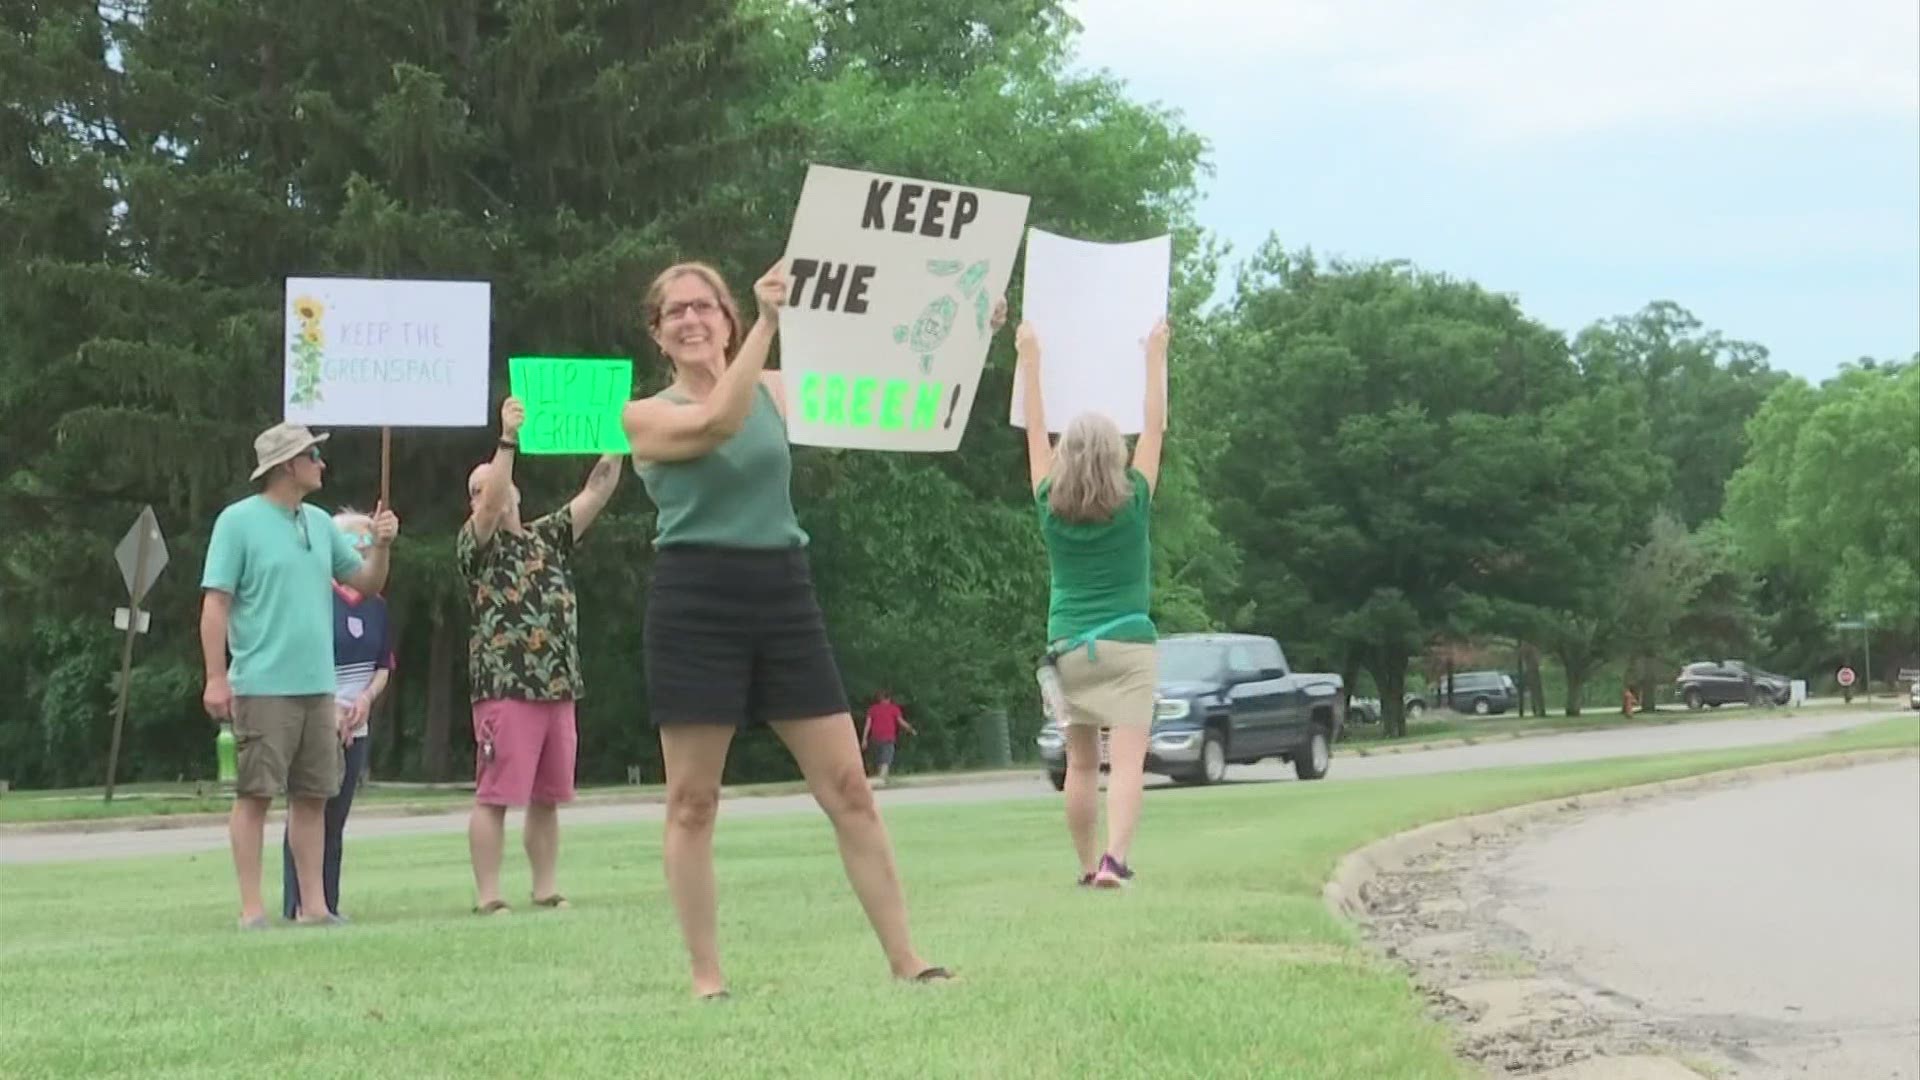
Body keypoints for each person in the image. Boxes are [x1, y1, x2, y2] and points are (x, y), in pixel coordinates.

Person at [624, 260, 949, 999]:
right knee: (692, 801)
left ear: (726, 317)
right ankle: (708, 977)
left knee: (849, 787)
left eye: (705, 306)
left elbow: (887, 392)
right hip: (695, 599)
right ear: (659, 334)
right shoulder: (645, 416)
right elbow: (715, 423)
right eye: (675, 312)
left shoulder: (777, 390)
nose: (692, 320)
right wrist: (770, 325)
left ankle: (908, 960)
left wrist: (962, 335)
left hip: (783, 592)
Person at [200, 423, 399, 929]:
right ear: (288, 466)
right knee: (255, 796)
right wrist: (216, 678)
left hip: (319, 688)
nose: (321, 464)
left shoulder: (318, 522)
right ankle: (252, 909)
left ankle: (313, 907)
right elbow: (216, 604)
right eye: (313, 455)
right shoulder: (237, 522)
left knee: (313, 797)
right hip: (263, 684)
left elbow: (367, 584)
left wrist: (381, 545)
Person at [1016, 316, 1168, 889]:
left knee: (1079, 764)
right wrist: (1154, 357)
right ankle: (1115, 859)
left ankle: (1084, 866)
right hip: (1129, 643)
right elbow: (1156, 427)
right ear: (1115, 455)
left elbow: (1032, 431)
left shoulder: (1047, 506)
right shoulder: (1135, 503)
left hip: (1067, 646)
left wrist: (1030, 360)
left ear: (1064, 455)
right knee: (1125, 762)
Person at [457, 395, 621, 915]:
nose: (489, 496)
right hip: (506, 688)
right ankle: (489, 896)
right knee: (495, 794)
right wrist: (507, 438)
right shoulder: (476, 545)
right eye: (479, 490)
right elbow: (487, 505)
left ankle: (545, 887)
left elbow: (598, 489)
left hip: (558, 687)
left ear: (517, 496)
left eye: (495, 487)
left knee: (549, 796)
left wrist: (615, 429)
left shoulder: (546, 538)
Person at [279, 509, 393, 921]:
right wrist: (329, 709)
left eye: (365, 541)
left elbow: (384, 664)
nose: (360, 549)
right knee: (309, 811)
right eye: (351, 542)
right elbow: (299, 657)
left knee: (336, 820)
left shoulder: (376, 604)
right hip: (317, 718)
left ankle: (328, 902)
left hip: (357, 722)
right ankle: (299, 903)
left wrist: (365, 701)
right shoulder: (314, 597)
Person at [860, 691, 916, 785]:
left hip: (875, 737)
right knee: (886, 759)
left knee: (879, 759)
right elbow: (900, 722)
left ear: (880, 699)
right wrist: (911, 729)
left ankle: (881, 778)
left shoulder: (873, 709)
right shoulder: (894, 708)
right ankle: (882, 779)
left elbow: (868, 725)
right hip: (888, 737)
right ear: (889, 699)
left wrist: (864, 739)